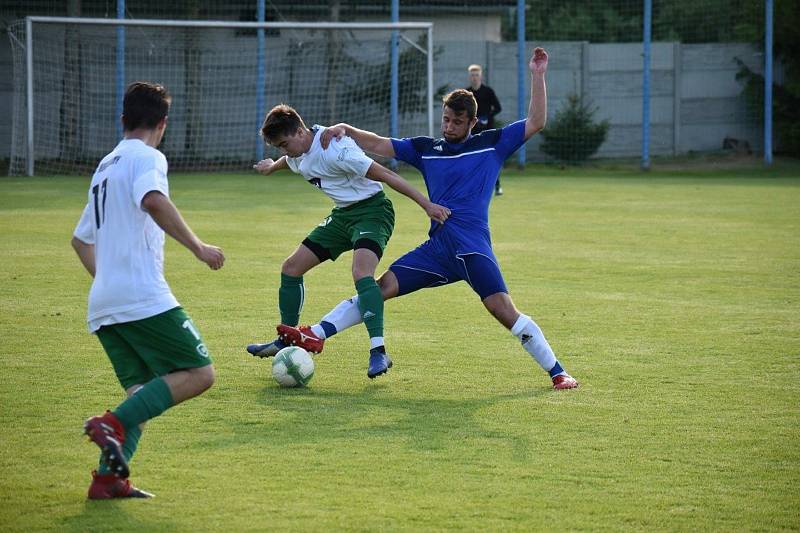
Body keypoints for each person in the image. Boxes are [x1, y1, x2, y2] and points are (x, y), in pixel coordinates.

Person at [276, 48, 578, 390]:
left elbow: (536, 122)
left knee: (502, 310)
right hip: (437, 250)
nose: (448, 127)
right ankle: (315, 333)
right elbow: (380, 144)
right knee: (381, 287)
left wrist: (538, 76)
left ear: (472, 123)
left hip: (472, 248)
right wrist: (346, 128)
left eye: (456, 122)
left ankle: (558, 371)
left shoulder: (492, 145)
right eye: (445, 119)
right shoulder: (426, 149)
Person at [72, 82, 226, 499]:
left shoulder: (104, 166)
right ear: (163, 124)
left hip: (105, 303)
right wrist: (198, 247)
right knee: (200, 374)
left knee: (143, 395)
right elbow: (154, 201)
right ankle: (111, 424)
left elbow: (80, 240)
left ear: (122, 120)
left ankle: (108, 480)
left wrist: (108, 281)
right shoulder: (149, 157)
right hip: (141, 296)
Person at [245, 104, 450, 379]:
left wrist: (426, 204)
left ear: (299, 131)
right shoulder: (296, 152)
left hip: (373, 212)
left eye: (284, 144)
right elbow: (292, 161)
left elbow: (387, 175)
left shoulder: (337, 149)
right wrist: (272, 167)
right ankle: (287, 338)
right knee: (291, 268)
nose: (284, 151)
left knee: (361, 273)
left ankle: (379, 351)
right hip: (342, 217)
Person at [466, 63, 504, 195]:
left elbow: (498, 108)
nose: (474, 78)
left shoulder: (488, 91)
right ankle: (474, 186)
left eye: (476, 75)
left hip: (488, 131)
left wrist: (487, 117)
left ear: (480, 76)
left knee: (491, 157)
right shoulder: (467, 93)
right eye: (472, 75)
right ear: (469, 77)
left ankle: (497, 186)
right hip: (472, 131)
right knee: (472, 158)